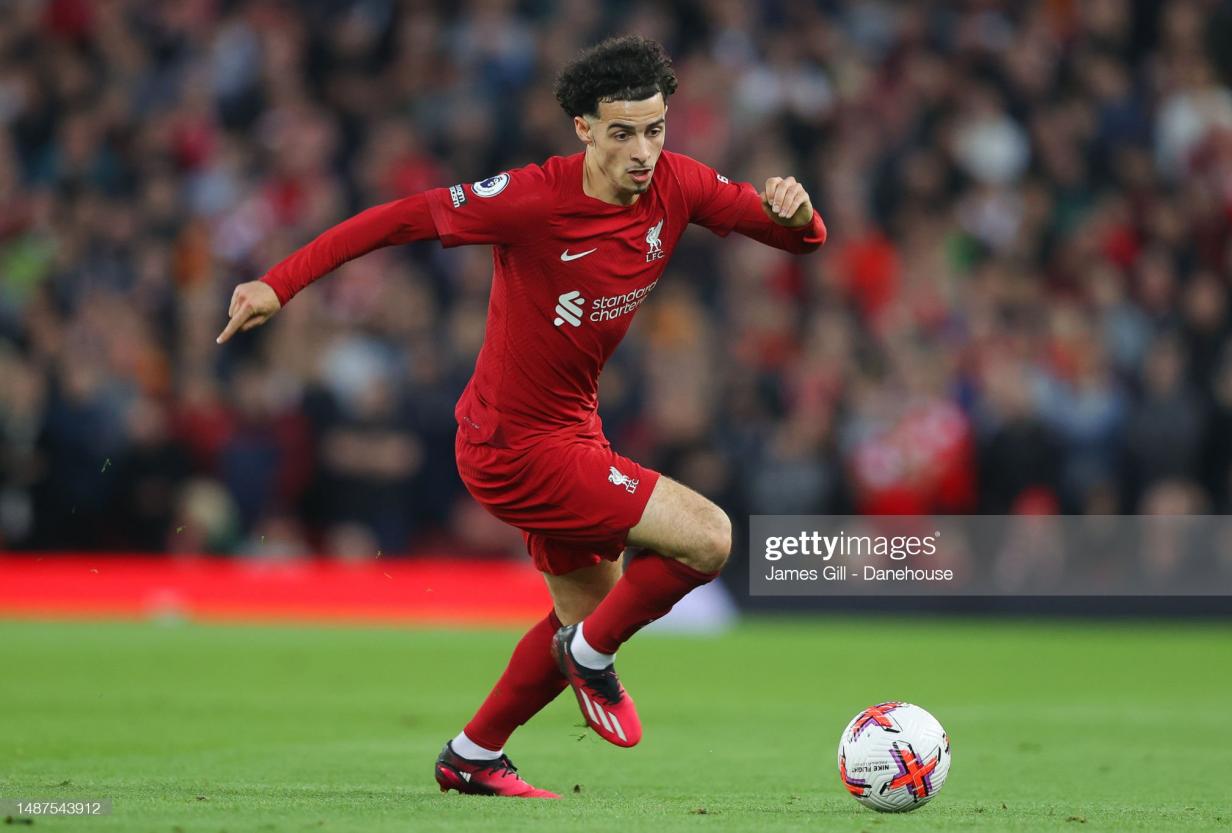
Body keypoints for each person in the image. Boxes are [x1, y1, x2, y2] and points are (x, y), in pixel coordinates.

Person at [217, 35, 826, 798]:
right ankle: (591, 657)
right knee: (709, 537)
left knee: (588, 614)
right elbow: (399, 219)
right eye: (622, 132)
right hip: (513, 445)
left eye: (655, 128)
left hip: (575, 431)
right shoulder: (533, 198)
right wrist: (279, 282)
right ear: (582, 128)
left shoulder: (679, 184)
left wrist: (799, 215)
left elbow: (797, 239)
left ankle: (472, 754)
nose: (643, 151)